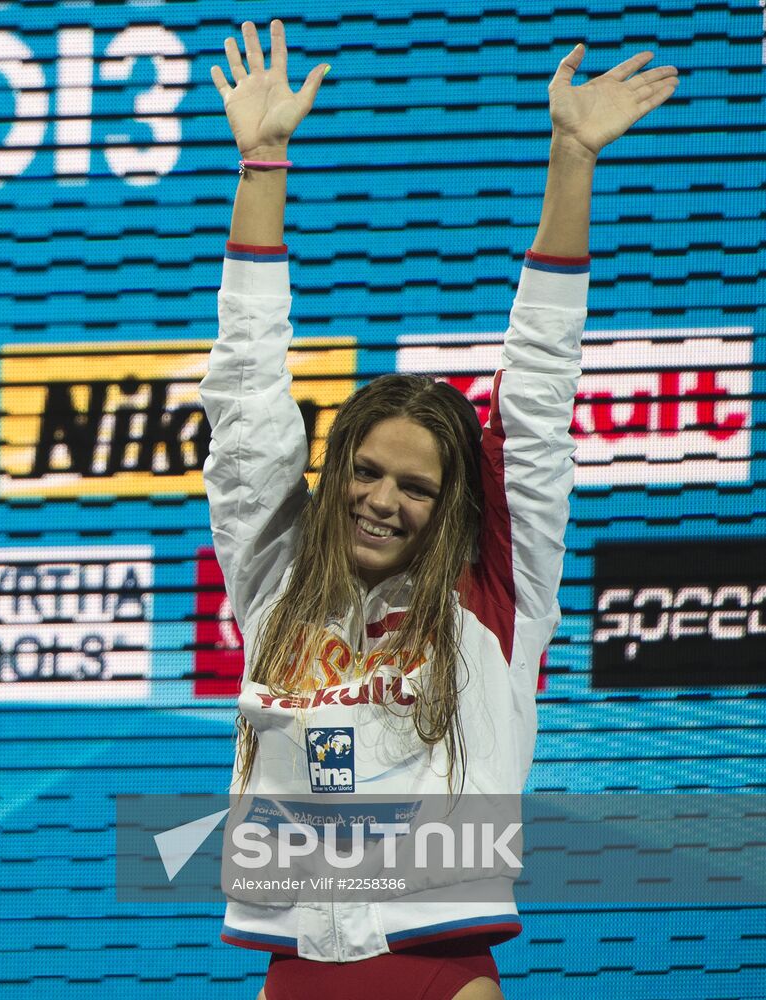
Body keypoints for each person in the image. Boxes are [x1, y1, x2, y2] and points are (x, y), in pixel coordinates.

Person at [201, 20, 677, 1000]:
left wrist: (570, 157)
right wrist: (261, 165)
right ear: (332, 477)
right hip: (292, 973)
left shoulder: (493, 590)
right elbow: (245, 396)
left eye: (415, 486)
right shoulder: (274, 577)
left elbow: (537, 395)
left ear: (452, 500)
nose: (382, 499)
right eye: (366, 473)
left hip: (437, 972)